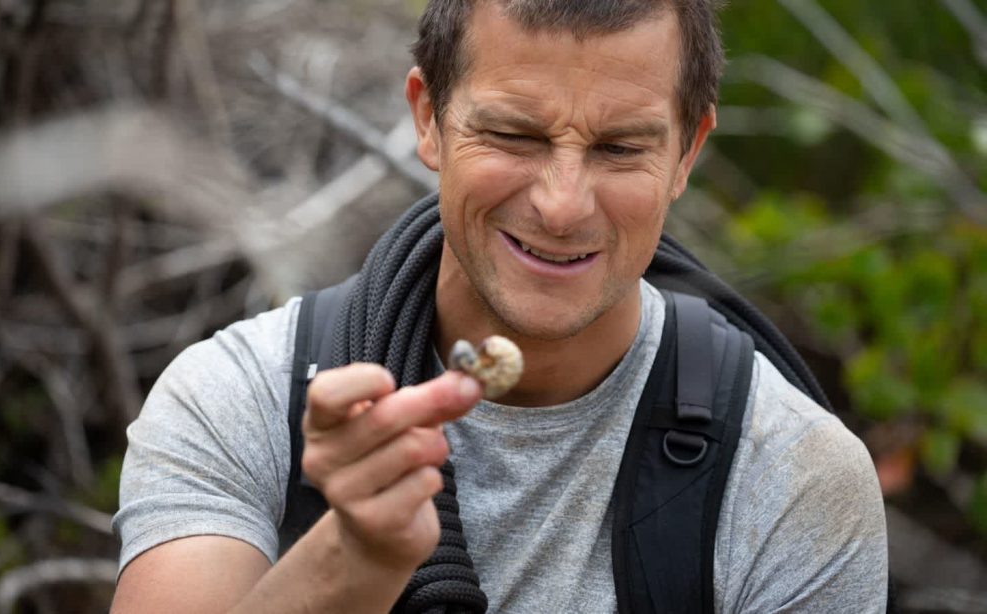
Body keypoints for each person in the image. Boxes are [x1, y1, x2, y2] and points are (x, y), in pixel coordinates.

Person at [111, 1, 889, 612]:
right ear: (428, 118)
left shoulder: (793, 475)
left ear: (688, 151)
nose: (562, 206)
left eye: (621, 148)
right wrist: (356, 559)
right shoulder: (235, 401)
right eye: (515, 135)